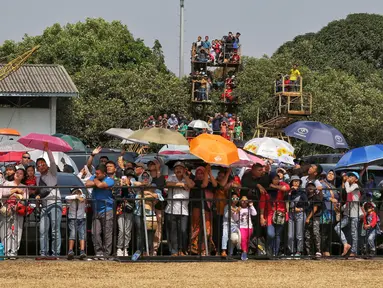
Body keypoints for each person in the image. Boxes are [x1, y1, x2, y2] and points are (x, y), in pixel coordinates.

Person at [36, 143, 61, 258]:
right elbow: (40, 192)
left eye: (43, 164)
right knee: (43, 231)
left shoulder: (52, 172)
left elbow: (52, 162)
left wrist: (47, 150)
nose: (42, 166)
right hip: (44, 205)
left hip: (55, 203)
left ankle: (55, 253)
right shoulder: (38, 178)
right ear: (37, 168)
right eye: (39, 165)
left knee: (55, 230)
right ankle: (43, 252)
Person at [165, 161, 195, 256]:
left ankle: (182, 250)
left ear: (184, 170)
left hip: (184, 210)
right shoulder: (171, 177)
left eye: (180, 168)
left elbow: (191, 185)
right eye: (176, 168)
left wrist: (185, 176)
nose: (178, 170)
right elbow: (167, 184)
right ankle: (174, 251)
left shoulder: (188, 179)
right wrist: (180, 184)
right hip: (171, 209)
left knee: (183, 231)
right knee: (172, 231)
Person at [86, 164, 115, 259]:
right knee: (95, 232)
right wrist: (96, 181)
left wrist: (95, 182)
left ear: (104, 173)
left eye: (98, 174)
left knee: (107, 233)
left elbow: (100, 185)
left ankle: (106, 254)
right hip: (96, 210)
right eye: (95, 173)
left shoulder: (110, 180)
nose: (96, 175)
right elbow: (87, 184)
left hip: (107, 210)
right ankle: (98, 253)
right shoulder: (95, 177)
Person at [0, 167, 28, 259]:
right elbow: (3, 193)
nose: (18, 174)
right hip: (6, 210)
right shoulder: (7, 183)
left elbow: (25, 197)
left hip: (18, 210)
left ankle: (14, 251)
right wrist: (15, 191)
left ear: (23, 176)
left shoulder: (24, 187)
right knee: (5, 231)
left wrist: (17, 195)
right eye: (17, 172)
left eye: (21, 173)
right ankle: (5, 251)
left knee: (16, 231)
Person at [260, 173, 289, 257]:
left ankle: (275, 253)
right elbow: (262, 204)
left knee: (277, 235)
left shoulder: (281, 185)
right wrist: (261, 217)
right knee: (270, 234)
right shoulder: (266, 189)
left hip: (281, 213)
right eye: (274, 179)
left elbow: (287, 187)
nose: (276, 180)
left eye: (277, 179)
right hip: (269, 214)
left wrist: (275, 187)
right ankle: (268, 249)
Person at [190, 165, 217, 255]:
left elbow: (215, 185)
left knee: (207, 228)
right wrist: (206, 172)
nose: (200, 175)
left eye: (202, 173)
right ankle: (194, 248)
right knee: (196, 227)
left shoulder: (209, 181)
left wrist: (209, 173)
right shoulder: (196, 181)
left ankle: (205, 248)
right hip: (197, 207)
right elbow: (204, 185)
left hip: (207, 207)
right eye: (199, 173)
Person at [334, 172, 362, 257]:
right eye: (349, 176)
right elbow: (348, 201)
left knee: (354, 233)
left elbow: (348, 190)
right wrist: (341, 208)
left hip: (354, 213)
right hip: (348, 213)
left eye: (352, 176)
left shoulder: (355, 186)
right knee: (337, 227)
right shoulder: (349, 187)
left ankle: (354, 251)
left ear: (356, 179)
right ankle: (345, 244)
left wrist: (346, 181)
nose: (349, 177)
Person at [116, 171, 136, 257]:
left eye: (127, 179)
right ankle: (119, 248)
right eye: (124, 179)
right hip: (120, 211)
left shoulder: (132, 188)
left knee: (127, 231)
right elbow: (116, 197)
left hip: (129, 210)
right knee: (121, 230)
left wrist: (128, 187)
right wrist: (121, 187)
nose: (125, 180)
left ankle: (125, 248)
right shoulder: (118, 187)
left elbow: (133, 197)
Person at [147, 159, 166, 256]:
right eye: (150, 164)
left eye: (153, 164)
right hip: (147, 207)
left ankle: (154, 249)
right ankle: (146, 249)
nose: (151, 166)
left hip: (158, 207)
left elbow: (160, 185)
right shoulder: (146, 177)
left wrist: (158, 170)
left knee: (157, 228)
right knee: (147, 228)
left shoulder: (161, 178)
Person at [320, 170, 339, 256]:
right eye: (329, 173)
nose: (330, 175)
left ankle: (326, 249)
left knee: (328, 231)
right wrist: (330, 198)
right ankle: (322, 250)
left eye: (332, 174)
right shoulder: (322, 184)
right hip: (324, 210)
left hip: (332, 210)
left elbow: (337, 196)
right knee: (323, 231)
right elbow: (321, 194)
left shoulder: (333, 186)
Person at [287, 175, 307, 257]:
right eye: (294, 181)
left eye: (297, 181)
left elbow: (307, 204)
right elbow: (286, 201)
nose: (296, 183)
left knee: (299, 234)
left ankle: (299, 251)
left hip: (300, 214)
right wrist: (289, 192)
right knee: (290, 235)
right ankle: (291, 251)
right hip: (291, 214)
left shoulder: (302, 192)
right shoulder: (289, 192)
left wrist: (300, 209)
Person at [65, 188, 87, 260]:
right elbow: (66, 197)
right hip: (72, 218)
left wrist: (78, 197)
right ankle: (70, 251)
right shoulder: (71, 198)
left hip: (81, 218)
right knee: (72, 234)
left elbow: (82, 198)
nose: (77, 193)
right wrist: (75, 197)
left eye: (78, 192)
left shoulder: (83, 196)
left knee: (82, 235)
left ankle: (82, 251)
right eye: (75, 192)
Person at [304, 181, 323, 258]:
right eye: (309, 186)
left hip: (315, 217)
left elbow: (315, 208)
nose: (310, 188)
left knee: (316, 233)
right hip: (307, 217)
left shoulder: (316, 196)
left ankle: (318, 251)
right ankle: (308, 252)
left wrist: (308, 218)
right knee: (307, 235)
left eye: (312, 186)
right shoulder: (306, 196)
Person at [221, 192, 241, 257]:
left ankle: (231, 252)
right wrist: (232, 210)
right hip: (226, 224)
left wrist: (236, 212)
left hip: (234, 225)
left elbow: (236, 219)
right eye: (233, 198)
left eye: (237, 198)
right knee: (225, 236)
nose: (235, 199)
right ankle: (224, 251)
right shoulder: (227, 206)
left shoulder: (237, 207)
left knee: (234, 238)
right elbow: (226, 216)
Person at [239, 196, 257, 261]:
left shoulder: (249, 209)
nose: (244, 202)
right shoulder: (239, 208)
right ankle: (244, 252)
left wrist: (251, 205)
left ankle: (245, 252)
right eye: (242, 201)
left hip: (249, 226)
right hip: (241, 226)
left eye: (245, 201)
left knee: (247, 240)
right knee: (243, 239)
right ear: (240, 202)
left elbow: (255, 213)